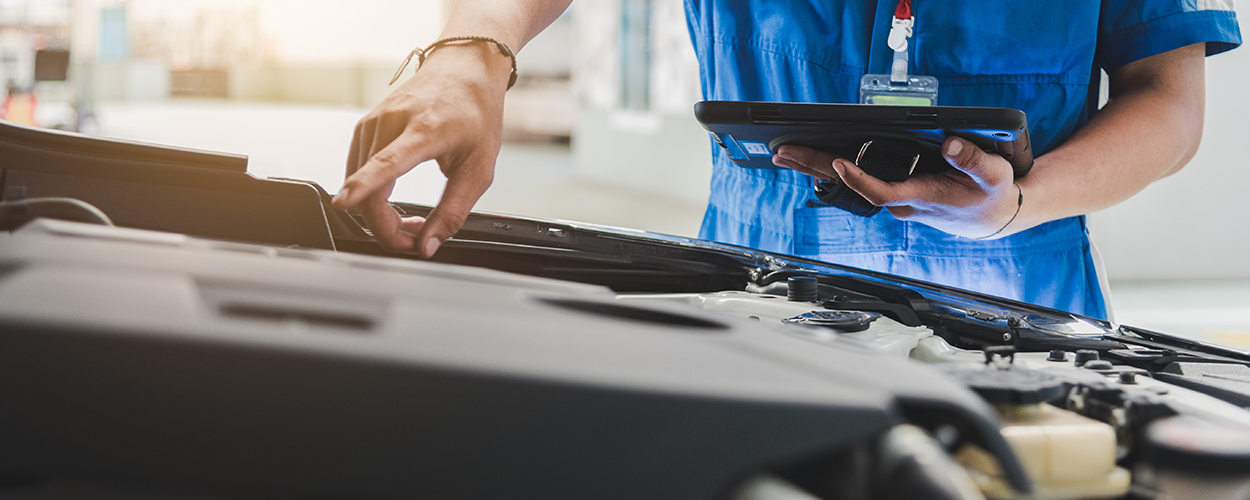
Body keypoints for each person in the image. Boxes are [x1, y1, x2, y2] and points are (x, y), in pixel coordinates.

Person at [332, 1, 1241, 320]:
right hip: (754, 271)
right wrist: (470, 53)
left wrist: (1017, 203)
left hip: (1020, 283)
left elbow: (1169, 99)